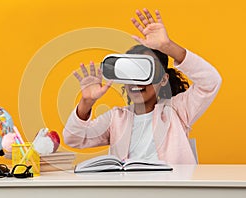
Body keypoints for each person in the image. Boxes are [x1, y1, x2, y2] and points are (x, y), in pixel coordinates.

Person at [63, 8, 222, 164]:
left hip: (171, 188)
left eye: (145, 72)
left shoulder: (178, 110)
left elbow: (211, 81)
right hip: (129, 189)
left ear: (163, 79)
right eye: (131, 72)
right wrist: (86, 102)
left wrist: (168, 47)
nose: (137, 81)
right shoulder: (116, 118)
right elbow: (74, 138)